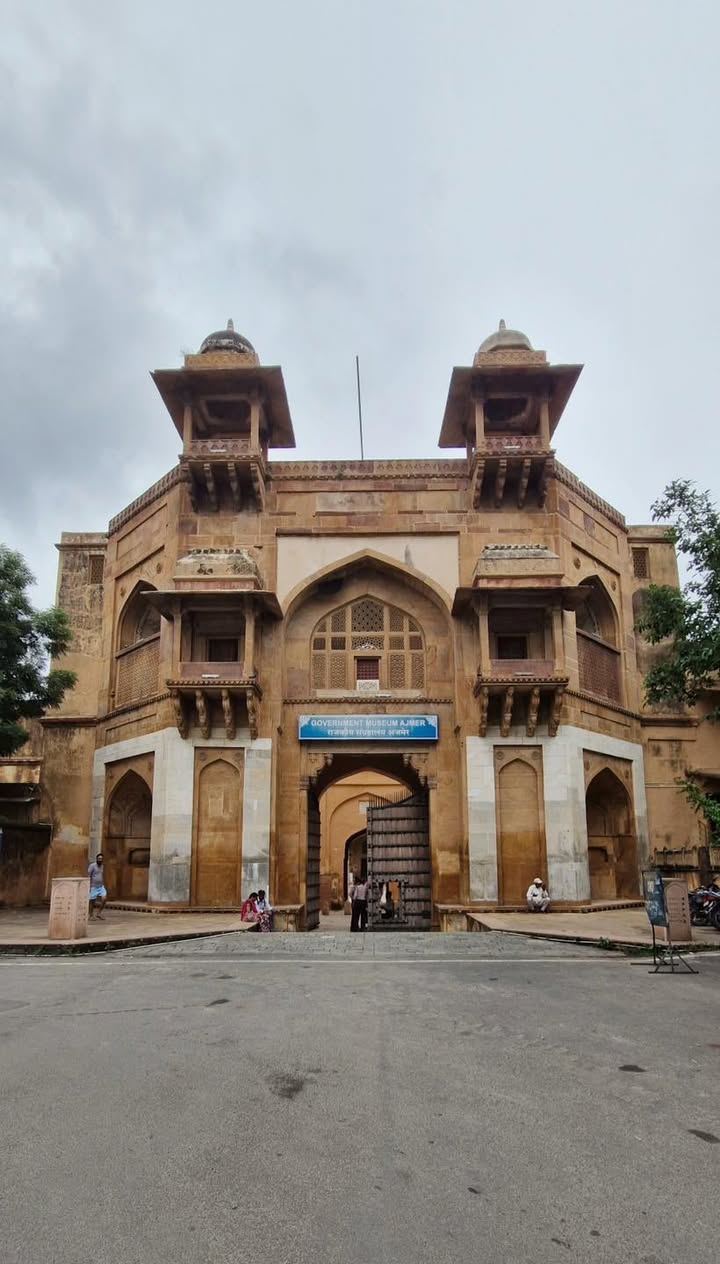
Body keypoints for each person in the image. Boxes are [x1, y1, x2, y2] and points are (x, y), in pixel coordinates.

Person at [88, 853, 107, 920]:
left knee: (104, 899)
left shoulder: (102, 866)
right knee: (92, 901)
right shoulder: (92, 866)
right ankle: (91, 915)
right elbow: (88, 875)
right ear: (96, 859)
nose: (100, 860)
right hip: (94, 886)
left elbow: (101, 875)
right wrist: (89, 886)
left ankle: (99, 913)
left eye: (101, 859)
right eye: (99, 858)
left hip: (101, 886)